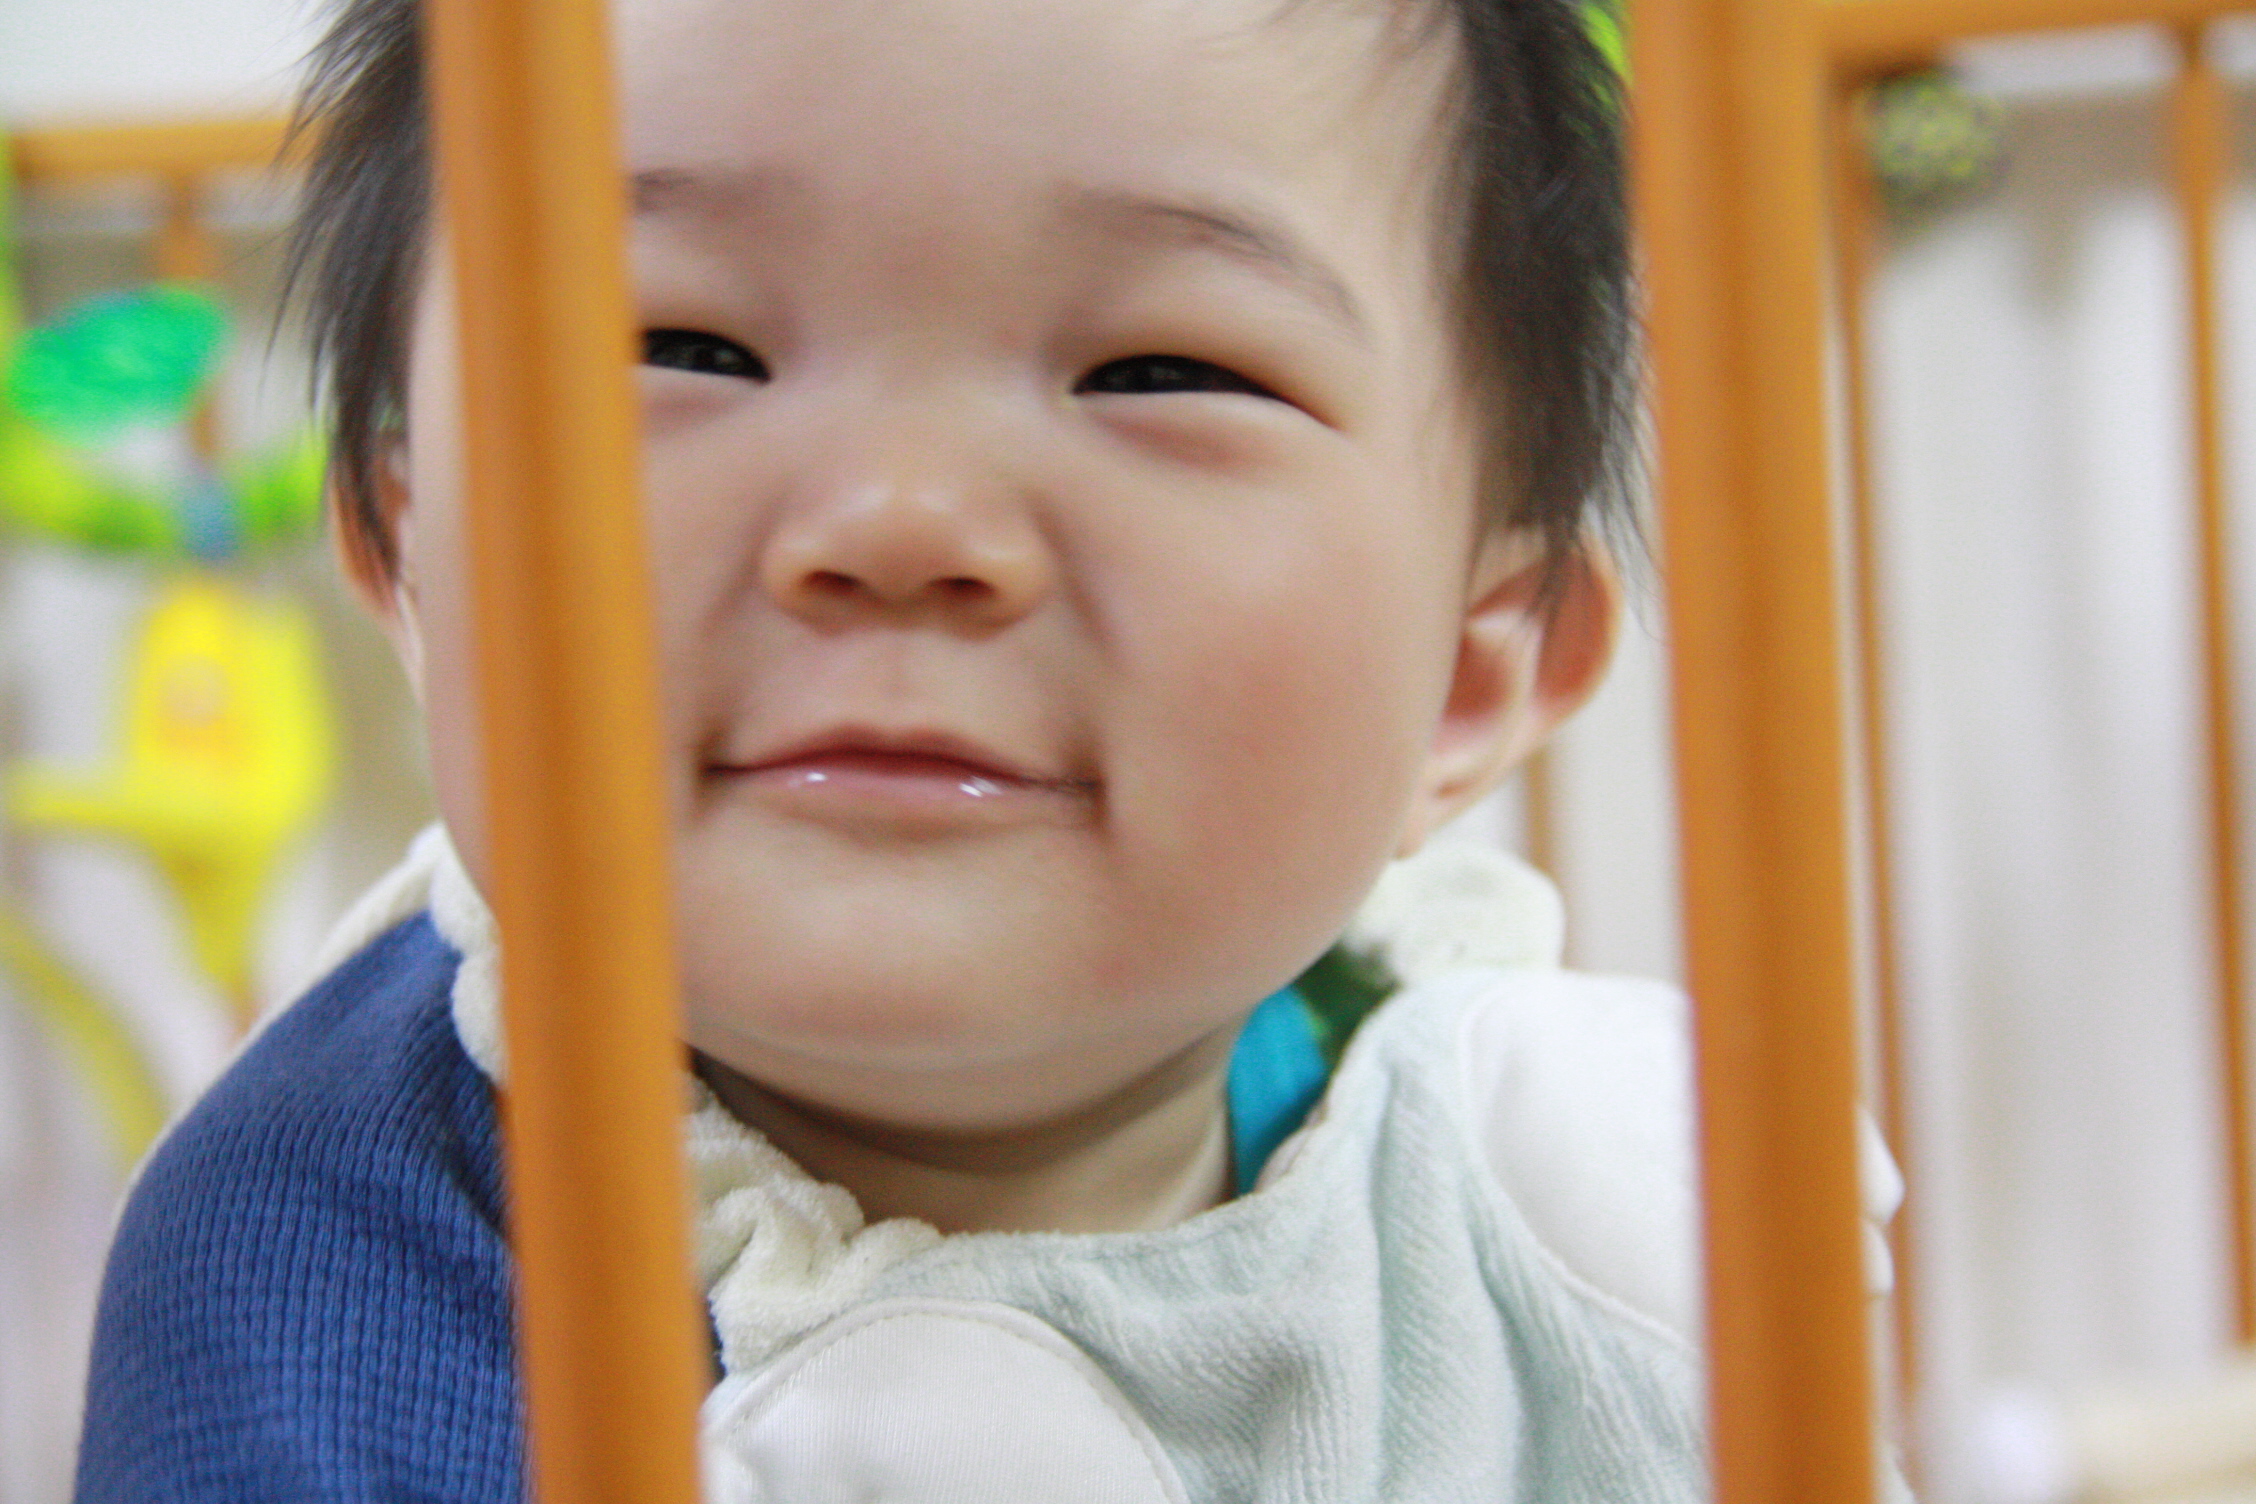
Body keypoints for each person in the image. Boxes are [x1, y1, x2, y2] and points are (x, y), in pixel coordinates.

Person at [75, 0, 1902, 1498]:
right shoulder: (320, 1276)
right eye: (682, 340)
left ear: (1470, 676)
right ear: (404, 546)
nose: (898, 518)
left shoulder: (1528, 1206)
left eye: (1159, 375)